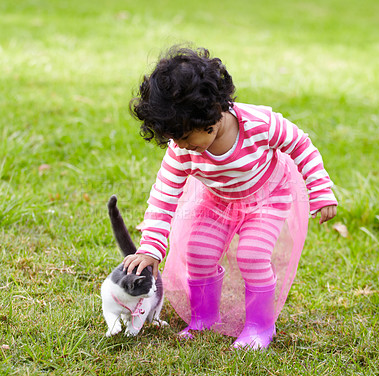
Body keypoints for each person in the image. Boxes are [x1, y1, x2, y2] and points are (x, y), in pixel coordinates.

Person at [123, 46, 337, 350]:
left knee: (252, 254)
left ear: (209, 116)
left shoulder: (259, 124)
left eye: (184, 137)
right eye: (173, 139)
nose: (180, 146)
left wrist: (320, 190)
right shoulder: (181, 150)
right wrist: (151, 248)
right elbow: (163, 195)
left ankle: (260, 326)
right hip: (218, 201)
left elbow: (300, 145)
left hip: (265, 197)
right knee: (198, 252)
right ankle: (204, 317)